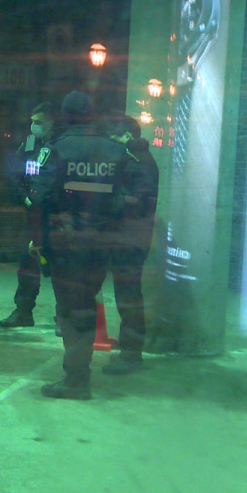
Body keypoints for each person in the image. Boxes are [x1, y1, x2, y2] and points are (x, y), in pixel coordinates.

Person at [29, 91, 134, 400]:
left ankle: (76, 379)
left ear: (65, 114)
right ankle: (79, 372)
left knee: (71, 309)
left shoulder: (54, 150)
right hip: (101, 243)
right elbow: (128, 199)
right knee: (87, 302)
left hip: (65, 243)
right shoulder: (117, 151)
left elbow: (39, 195)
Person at [101, 115, 159, 375]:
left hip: (132, 238)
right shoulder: (132, 160)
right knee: (126, 296)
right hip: (127, 236)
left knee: (129, 297)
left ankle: (132, 353)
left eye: (115, 137)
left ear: (126, 137)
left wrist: (112, 200)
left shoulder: (140, 162)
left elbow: (140, 200)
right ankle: (129, 348)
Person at [0, 102, 61, 328]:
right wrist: (24, 196)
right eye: (32, 121)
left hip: (54, 216)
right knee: (27, 263)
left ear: (51, 123)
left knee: (58, 266)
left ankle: (62, 316)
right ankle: (23, 311)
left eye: (39, 122)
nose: (34, 126)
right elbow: (14, 172)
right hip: (32, 213)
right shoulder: (29, 144)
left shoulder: (59, 146)